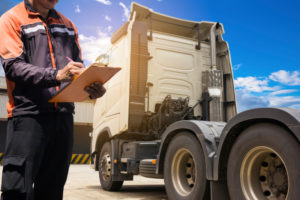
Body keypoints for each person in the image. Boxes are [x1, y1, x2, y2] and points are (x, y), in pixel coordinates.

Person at [0, 0, 106, 199]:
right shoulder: (11, 20)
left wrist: (91, 87)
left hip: (63, 119)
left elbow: (77, 67)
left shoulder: (68, 25)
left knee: (52, 192)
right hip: (28, 117)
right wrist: (56, 75)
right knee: (17, 192)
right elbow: (14, 66)